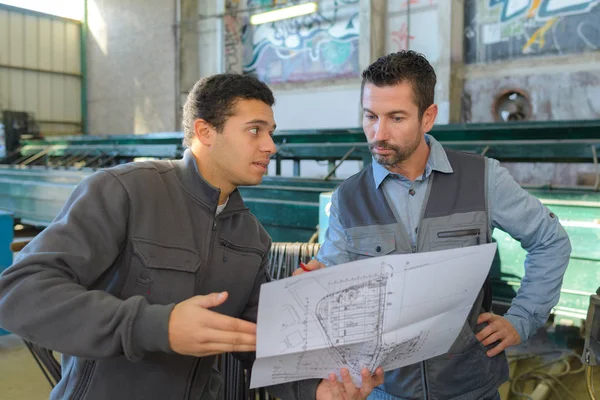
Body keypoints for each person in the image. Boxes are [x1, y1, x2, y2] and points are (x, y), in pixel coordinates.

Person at [0, 73, 383, 400]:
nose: (270, 145)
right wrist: (155, 326)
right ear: (205, 131)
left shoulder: (251, 236)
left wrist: (315, 389)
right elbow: (20, 291)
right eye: (254, 130)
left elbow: (258, 340)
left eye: (270, 132)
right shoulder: (125, 192)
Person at [294, 51, 571, 400]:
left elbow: (551, 241)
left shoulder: (482, 179)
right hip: (384, 389)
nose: (379, 133)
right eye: (370, 116)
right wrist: (316, 282)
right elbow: (335, 272)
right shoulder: (348, 198)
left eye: (396, 118)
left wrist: (523, 319)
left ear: (428, 117)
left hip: (469, 387)